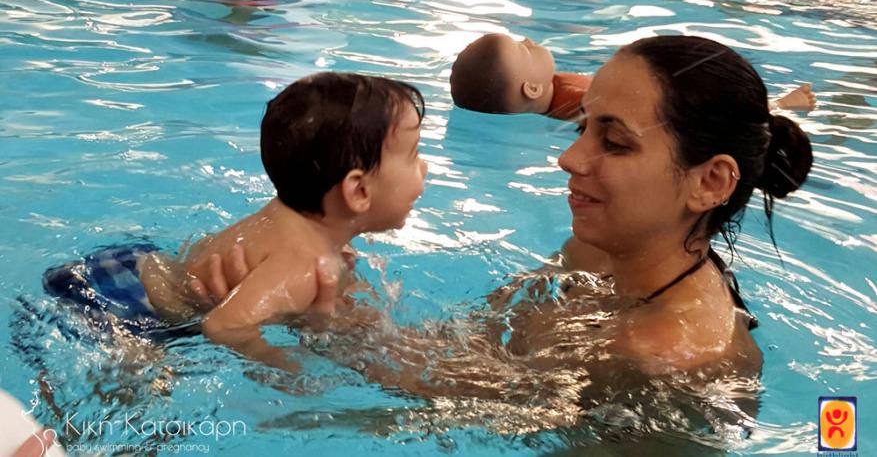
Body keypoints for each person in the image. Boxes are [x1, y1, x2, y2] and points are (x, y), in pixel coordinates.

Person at [192, 36, 813, 418]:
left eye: (614, 143)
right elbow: (469, 349)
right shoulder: (600, 252)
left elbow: (437, 421)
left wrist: (332, 336)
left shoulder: (667, 358)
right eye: (581, 128)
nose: (569, 160)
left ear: (711, 181)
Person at [43, 73, 428, 371]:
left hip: (133, 263)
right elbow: (224, 326)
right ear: (358, 191)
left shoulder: (293, 221)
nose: (424, 167)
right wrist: (283, 366)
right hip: (124, 309)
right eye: (413, 155)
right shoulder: (304, 263)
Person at [449, 33, 817, 123]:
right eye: (522, 48)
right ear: (532, 88)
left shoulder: (559, 94)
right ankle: (781, 106)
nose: (528, 40)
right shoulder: (580, 105)